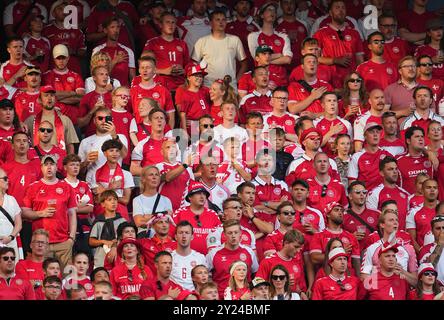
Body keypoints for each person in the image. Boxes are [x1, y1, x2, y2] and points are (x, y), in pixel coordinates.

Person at [22, 154, 76, 270]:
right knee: (43, 277)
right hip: (41, 243)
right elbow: (24, 212)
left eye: (52, 164)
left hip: (63, 242)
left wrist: (71, 238)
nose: (49, 167)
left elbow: (72, 214)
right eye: (46, 164)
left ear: (57, 167)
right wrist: (41, 213)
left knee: (67, 279)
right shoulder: (33, 187)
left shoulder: (67, 187)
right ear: (41, 168)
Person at [192, 9, 248, 90]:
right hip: (209, 87)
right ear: (211, 23)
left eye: (223, 19)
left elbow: (244, 64)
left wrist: (237, 80)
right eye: (217, 20)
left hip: (230, 87)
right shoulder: (202, 41)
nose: (221, 22)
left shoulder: (235, 40)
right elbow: (193, 64)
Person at [313, 0, 364, 87]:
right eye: (337, 8)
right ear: (330, 13)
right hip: (330, 80)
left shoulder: (354, 33)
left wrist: (359, 78)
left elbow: (360, 60)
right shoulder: (321, 33)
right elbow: (314, 58)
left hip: (351, 81)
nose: (341, 10)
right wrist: (335, 60)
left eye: (343, 8)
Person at [361, 208, 417, 285]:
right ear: (382, 224)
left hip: (401, 293)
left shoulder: (408, 248)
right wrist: (384, 273)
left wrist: (402, 271)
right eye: (391, 220)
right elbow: (364, 278)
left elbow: (416, 282)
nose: (395, 223)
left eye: (396, 220)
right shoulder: (372, 249)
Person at [206, 219, 258, 298]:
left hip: (245, 297)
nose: (233, 236)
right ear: (224, 234)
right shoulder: (213, 253)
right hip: (222, 297)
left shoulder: (249, 252)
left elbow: (255, 273)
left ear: (240, 233)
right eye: (230, 233)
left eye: (236, 232)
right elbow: (204, 274)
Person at [87, 138, 134, 221]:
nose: (115, 154)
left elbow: (126, 200)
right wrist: (111, 188)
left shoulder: (126, 174)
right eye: (111, 150)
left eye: (117, 151)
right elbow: (97, 200)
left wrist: (104, 192)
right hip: (102, 213)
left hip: (121, 212)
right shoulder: (95, 173)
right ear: (105, 153)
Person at [24, 85, 79, 155]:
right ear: (40, 100)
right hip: (37, 161)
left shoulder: (65, 120)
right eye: (46, 95)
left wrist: (69, 163)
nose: (49, 98)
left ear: (55, 99)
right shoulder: (31, 120)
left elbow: (70, 146)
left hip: (59, 161)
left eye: (52, 95)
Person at [310, 202, 361, 276]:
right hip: (326, 278)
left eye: (341, 211)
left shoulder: (351, 237)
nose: (340, 213)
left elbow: (356, 262)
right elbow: (315, 258)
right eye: (336, 210)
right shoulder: (318, 236)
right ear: (328, 214)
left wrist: (359, 280)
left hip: (348, 278)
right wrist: (340, 252)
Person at [171, 180, 221, 255]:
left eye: (204, 194)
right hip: (185, 258)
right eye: (198, 194)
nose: (202, 197)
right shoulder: (179, 213)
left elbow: (220, 236)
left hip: (208, 259)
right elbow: (171, 236)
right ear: (190, 197)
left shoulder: (213, 214)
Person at [143, 12, 189, 91]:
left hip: (180, 88)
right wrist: (164, 71)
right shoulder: (152, 43)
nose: (170, 25)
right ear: (160, 25)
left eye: (173, 22)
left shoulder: (182, 44)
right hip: (160, 87)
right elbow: (143, 67)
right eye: (167, 22)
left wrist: (184, 70)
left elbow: (188, 65)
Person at [79, 107, 129, 179]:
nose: (103, 121)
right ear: (94, 121)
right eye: (100, 118)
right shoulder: (85, 142)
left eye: (107, 118)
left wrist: (114, 136)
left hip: (113, 182)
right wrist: (86, 162)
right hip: (93, 183)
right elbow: (80, 172)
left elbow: (124, 155)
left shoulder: (120, 137)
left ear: (111, 120)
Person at [257, 229, 309, 298]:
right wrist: (281, 284)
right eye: (296, 247)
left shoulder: (297, 261)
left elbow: (297, 285)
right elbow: (257, 286)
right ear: (286, 243)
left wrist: (301, 293)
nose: (298, 250)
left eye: (300, 248)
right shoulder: (268, 261)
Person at [42, 44, 85, 125]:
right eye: (58, 58)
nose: (61, 61)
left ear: (68, 58)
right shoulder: (47, 75)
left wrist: (57, 98)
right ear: (54, 59)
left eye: (63, 58)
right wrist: (72, 93)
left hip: (74, 120)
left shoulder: (76, 76)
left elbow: (81, 98)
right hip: (53, 120)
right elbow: (48, 96)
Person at [42, 0, 86, 74]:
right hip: (52, 71)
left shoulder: (77, 30)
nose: (64, 12)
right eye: (60, 9)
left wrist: (73, 51)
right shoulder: (46, 30)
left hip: (73, 70)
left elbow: (83, 51)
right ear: (53, 13)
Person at [129, 56, 175, 127]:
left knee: (195, 136)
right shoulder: (133, 91)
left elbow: (171, 116)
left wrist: (169, 133)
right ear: (139, 70)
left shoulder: (163, 91)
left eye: (148, 67)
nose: (145, 70)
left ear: (154, 70)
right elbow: (128, 114)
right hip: (139, 133)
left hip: (159, 133)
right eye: (142, 67)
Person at [366, 157, 410, 231]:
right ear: (382, 173)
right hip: (384, 238)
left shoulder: (405, 194)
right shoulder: (374, 194)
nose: (395, 171)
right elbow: (372, 220)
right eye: (390, 169)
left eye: (396, 169)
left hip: (403, 239)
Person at [348, 122, 393, 191]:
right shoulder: (356, 157)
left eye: (377, 132)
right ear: (365, 136)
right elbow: (352, 183)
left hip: (385, 196)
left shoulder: (387, 155)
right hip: (365, 197)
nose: (375, 134)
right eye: (372, 132)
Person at [89, 190, 127, 268]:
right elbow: (91, 241)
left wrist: (115, 244)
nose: (113, 202)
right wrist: (104, 241)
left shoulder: (123, 221)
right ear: (103, 204)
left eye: (115, 199)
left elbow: (127, 239)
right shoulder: (99, 222)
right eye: (109, 200)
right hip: (101, 260)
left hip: (120, 260)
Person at [132, 166, 173, 236]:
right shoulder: (137, 200)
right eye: (151, 175)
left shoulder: (166, 200)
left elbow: (167, 224)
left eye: (156, 174)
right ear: (144, 179)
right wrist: (161, 215)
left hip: (162, 239)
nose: (154, 177)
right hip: (146, 239)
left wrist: (147, 217)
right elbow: (139, 222)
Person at [77, 66, 114, 137]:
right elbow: (80, 124)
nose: (105, 77)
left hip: (111, 136)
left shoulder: (114, 96)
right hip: (92, 137)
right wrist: (93, 110)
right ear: (94, 78)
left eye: (106, 74)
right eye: (101, 74)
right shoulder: (87, 98)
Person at [171, 221, 207, 291]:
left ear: (192, 237)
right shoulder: (169, 258)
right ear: (175, 237)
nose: (184, 236)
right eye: (181, 233)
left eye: (187, 233)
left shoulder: (200, 258)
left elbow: (205, 282)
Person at [175, 63, 210, 135]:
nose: (199, 78)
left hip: (207, 124)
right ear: (188, 77)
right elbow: (182, 113)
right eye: (196, 76)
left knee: (207, 145)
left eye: (201, 76)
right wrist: (184, 131)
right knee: (194, 144)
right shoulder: (186, 93)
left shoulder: (206, 90)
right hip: (193, 125)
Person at [343, 181, 380, 250]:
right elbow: (337, 236)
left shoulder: (376, 214)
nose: (362, 195)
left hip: (373, 255)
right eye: (358, 192)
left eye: (364, 192)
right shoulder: (343, 215)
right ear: (350, 196)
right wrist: (351, 237)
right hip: (352, 256)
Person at [397, 126, 434, 194]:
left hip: (428, 202)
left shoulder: (431, 159)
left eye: (422, 136)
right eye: (417, 136)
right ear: (408, 141)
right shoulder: (398, 161)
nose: (421, 139)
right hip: (408, 203)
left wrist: (430, 153)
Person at [314, 92, 352, 158]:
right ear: (323, 105)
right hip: (323, 162)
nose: (332, 103)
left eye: (334, 101)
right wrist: (331, 132)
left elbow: (351, 146)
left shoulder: (346, 124)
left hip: (341, 162)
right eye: (329, 101)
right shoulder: (315, 123)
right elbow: (314, 145)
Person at [407, 179, 440, 253]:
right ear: (422, 191)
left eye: (435, 188)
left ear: (438, 191)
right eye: (428, 187)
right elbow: (412, 239)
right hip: (423, 258)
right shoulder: (413, 212)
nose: (432, 190)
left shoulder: (442, 208)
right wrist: (423, 254)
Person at [226, 0, 259, 70]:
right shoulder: (227, 25)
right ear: (235, 6)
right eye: (241, 3)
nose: (245, 6)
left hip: (250, 69)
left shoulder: (256, 27)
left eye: (247, 3)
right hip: (229, 68)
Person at [276, 0, 309, 69]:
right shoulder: (276, 25)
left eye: (291, 3)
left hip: (301, 66)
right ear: (281, 5)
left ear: (295, 5)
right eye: (286, 3)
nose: (289, 5)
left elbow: (308, 46)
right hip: (282, 67)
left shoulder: (304, 24)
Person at [0, 167, 22, 259]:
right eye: (5, 179)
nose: (8, 181)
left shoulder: (11, 200)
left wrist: (10, 237)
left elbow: (19, 224)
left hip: (10, 243)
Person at [418, 215, 444, 286]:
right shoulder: (425, 249)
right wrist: (440, 243)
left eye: (443, 228)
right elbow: (428, 269)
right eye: (438, 228)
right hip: (437, 289)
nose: (442, 231)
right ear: (432, 231)